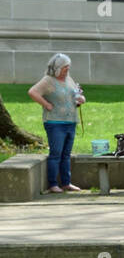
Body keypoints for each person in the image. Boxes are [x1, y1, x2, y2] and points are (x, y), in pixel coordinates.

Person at [27, 53, 86, 194]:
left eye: (68, 67)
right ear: (57, 68)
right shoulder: (48, 80)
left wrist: (80, 99)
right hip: (55, 122)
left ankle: (66, 183)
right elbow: (32, 92)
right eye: (65, 68)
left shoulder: (69, 79)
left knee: (66, 154)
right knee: (56, 154)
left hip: (70, 121)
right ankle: (53, 184)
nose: (67, 70)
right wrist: (46, 104)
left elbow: (74, 94)